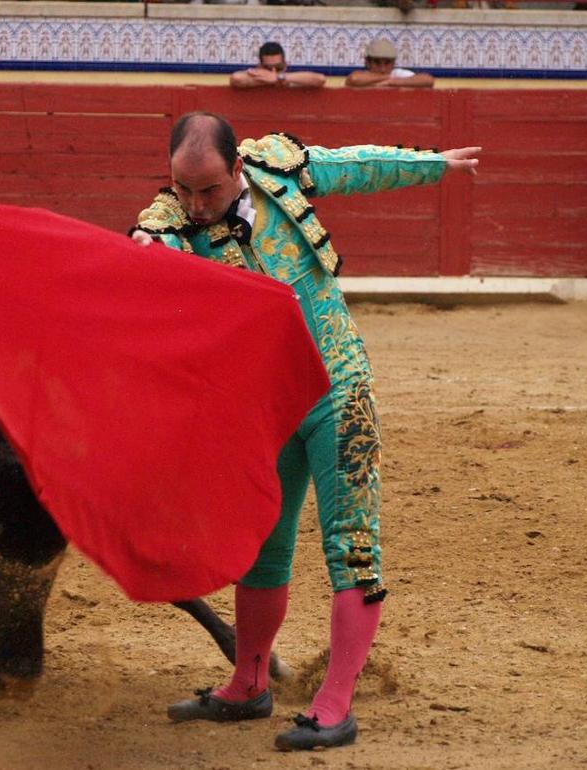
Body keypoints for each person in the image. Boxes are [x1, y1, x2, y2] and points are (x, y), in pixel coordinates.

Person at [130, 113, 478, 751]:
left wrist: (433, 164)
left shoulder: (274, 166)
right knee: (264, 543)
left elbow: (355, 165)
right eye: (183, 189)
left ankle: (334, 704)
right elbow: (144, 278)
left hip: (337, 384)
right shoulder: (167, 225)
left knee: (351, 542)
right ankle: (249, 684)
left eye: (208, 189)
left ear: (237, 168)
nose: (196, 204)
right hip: (264, 407)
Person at [230, 42, 326, 90]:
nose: (273, 71)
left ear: (285, 65)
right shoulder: (255, 77)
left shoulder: (292, 77)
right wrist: (268, 80)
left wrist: (279, 78)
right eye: (268, 68)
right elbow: (236, 78)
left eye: (278, 67)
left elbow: (320, 79)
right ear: (259, 66)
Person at [346, 38, 434, 89]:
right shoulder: (364, 75)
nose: (383, 68)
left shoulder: (397, 74)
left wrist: (392, 82)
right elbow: (354, 79)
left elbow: (428, 80)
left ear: (393, 63)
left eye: (387, 63)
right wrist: (388, 78)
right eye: (377, 63)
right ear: (367, 63)